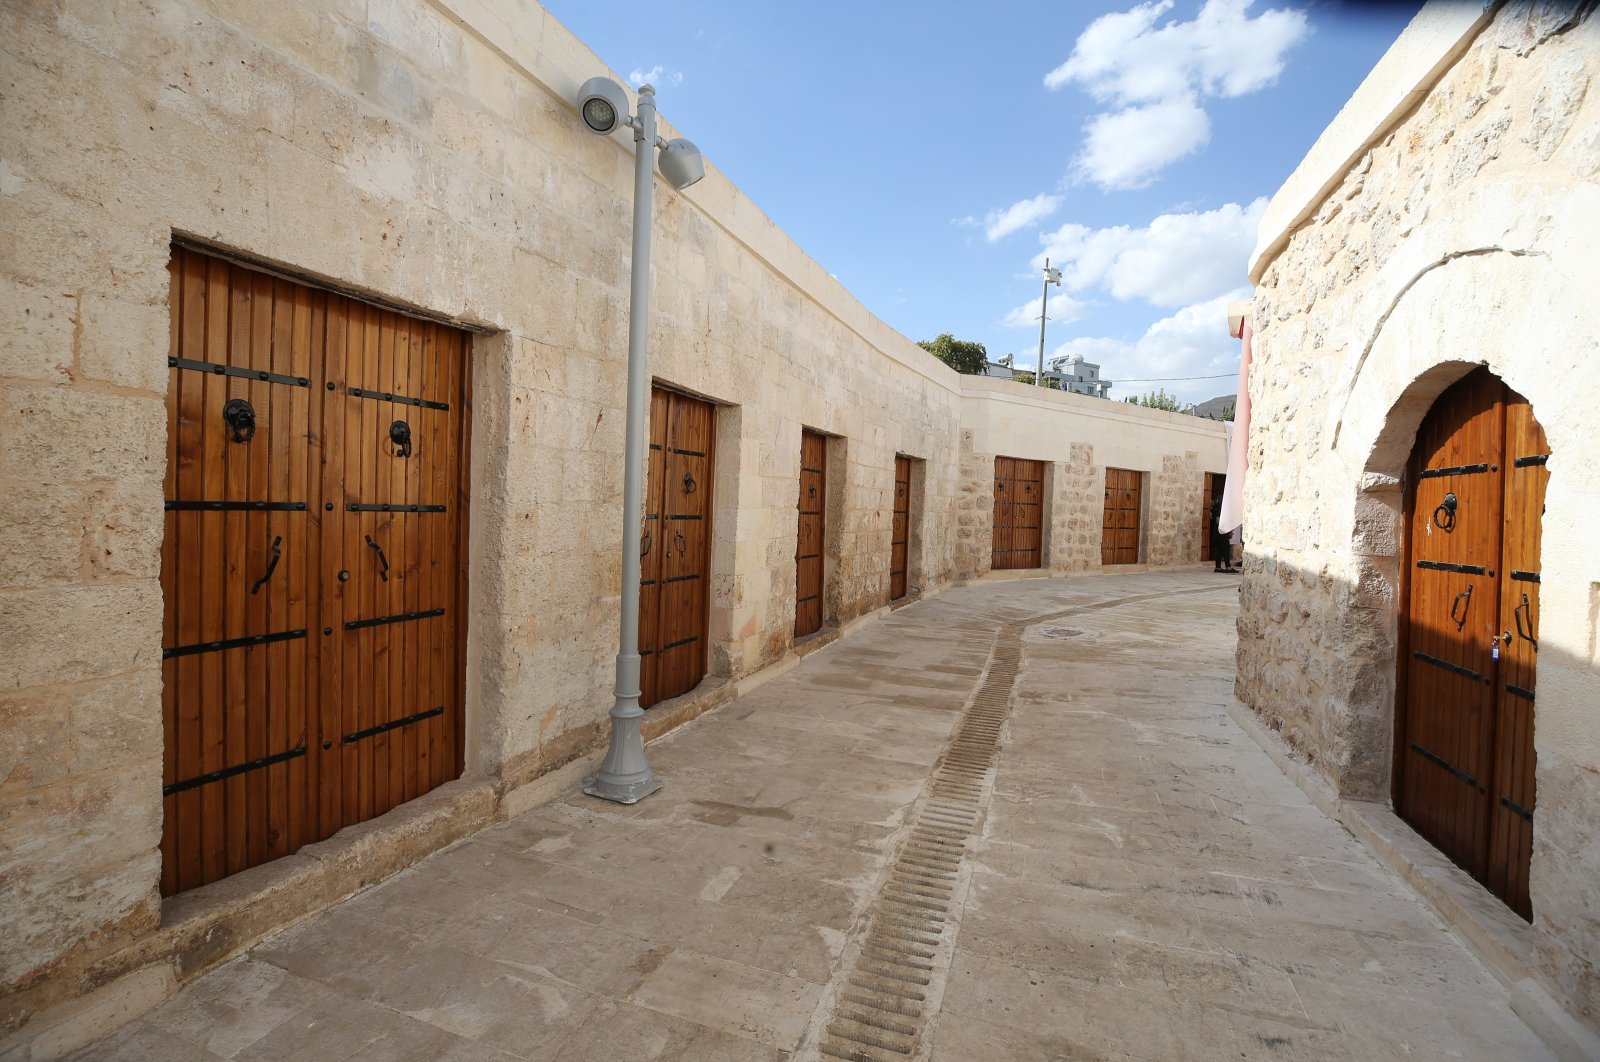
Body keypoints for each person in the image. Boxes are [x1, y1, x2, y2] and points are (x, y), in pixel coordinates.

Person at [1211, 501, 1237, 573]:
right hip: (1221, 532)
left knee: (1220, 549)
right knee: (1226, 549)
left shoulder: (1222, 510)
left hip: (1221, 532)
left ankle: (1218, 567)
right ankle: (1228, 567)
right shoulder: (1220, 510)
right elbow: (1218, 521)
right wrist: (1227, 529)